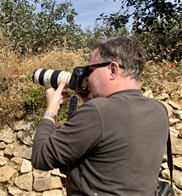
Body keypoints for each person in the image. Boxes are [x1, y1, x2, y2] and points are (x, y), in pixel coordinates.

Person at [31, 37, 169, 195]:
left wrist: (51, 109)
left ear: (112, 70)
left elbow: (41, 157)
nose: (87, 77)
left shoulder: (99, 112)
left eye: (90, 69)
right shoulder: (159, 109)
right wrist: (89, 104)